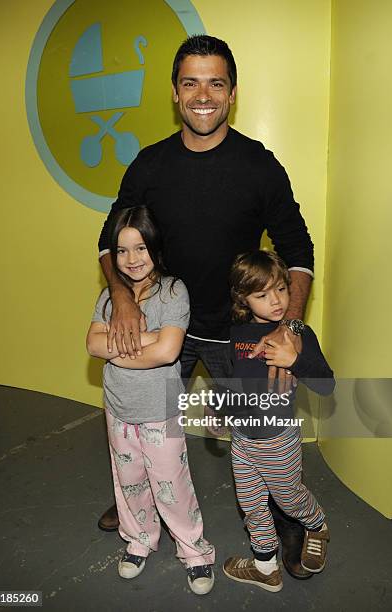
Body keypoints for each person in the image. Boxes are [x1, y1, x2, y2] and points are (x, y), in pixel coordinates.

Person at [96, 34, 315, 579]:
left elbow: (298, 250)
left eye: (215, 82)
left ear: (232, 93)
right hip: (166, 323)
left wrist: (288, 327)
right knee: (141, 423)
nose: (202, 94)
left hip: (239, 332)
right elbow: (109, 237)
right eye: (190, 82)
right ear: (174, 92)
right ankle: (138, 506)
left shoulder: (258, 165)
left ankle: (288, 519)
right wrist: (123, 297)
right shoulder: (149, 165)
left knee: (263, 433)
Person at [86, 206, 215, 595]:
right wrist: (147, 338)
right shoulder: (110, 297)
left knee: (170, 483)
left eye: (140, 248)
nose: (131, 259)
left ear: (155, 248)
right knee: (128, 481)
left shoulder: (174, 291)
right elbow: (92, 344)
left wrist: (121, 345)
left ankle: (195, 552)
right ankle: (139, 538)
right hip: (118, 409)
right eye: (122, 251)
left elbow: (168, 352)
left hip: (160, 409)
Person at [221, 250, 334, 592]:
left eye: (282, 289)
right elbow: (233, 380)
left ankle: (317, 525)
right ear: (243, 298)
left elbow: (327, 385)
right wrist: (219, 410)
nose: (276, 301)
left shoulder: (298, 334)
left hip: (278, 441)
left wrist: (294, 359)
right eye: (262, 294)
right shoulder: (237, 334)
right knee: (252, 506)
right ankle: (264, 567)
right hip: (242, 441)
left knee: (289, 499)